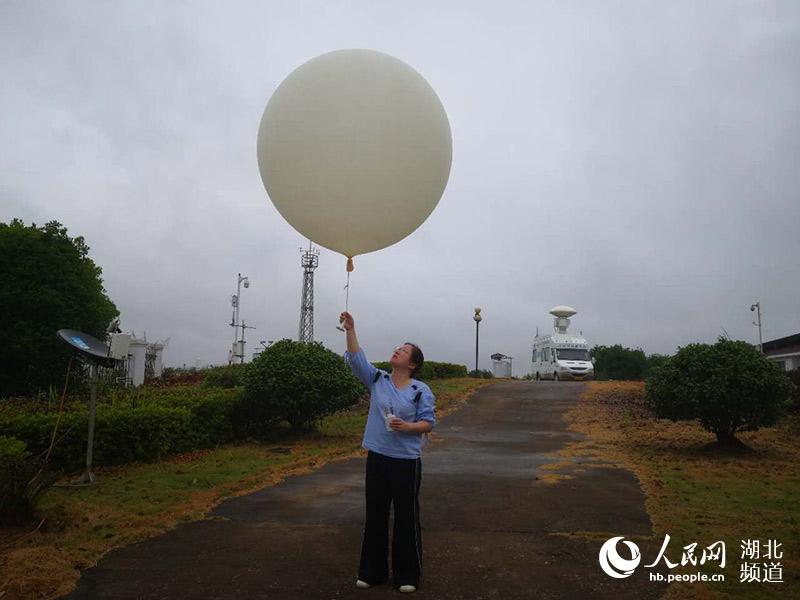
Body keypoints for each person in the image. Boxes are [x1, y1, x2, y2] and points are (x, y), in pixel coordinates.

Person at [339, 311, 436, 594]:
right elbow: (357, 359)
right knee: (376, 514)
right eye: (397, 348)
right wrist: (351, 329)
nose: (397, 351)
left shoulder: (421, 390)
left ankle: (408, 575)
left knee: (406, 517)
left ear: (413, 363)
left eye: (404, 351)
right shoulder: (377, 379)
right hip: (378, 457)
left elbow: (428, 423)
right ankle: (372, 572)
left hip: (406, 462)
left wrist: (406, 426)